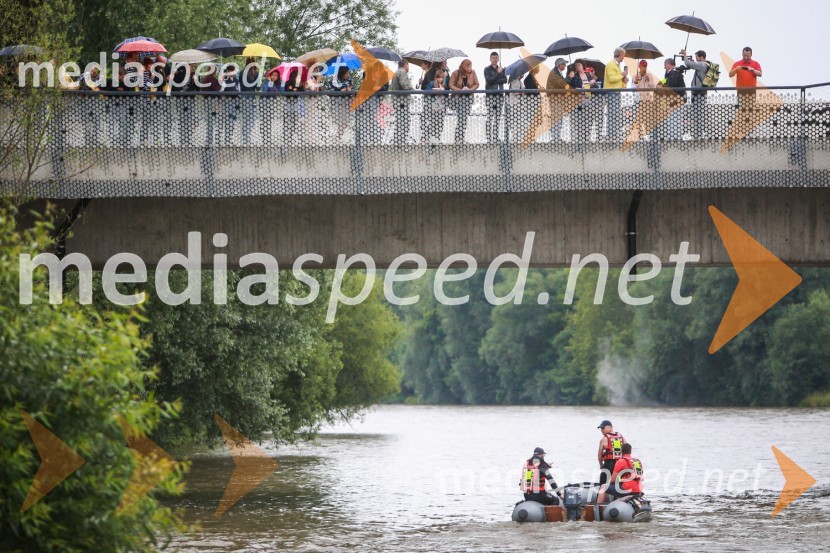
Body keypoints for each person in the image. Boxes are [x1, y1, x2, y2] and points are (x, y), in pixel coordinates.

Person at [680, 49, 709, 138]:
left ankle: (698, 134)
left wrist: (685, 55)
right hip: (700, 93)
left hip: (699, 94)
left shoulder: (702, 64)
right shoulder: (704, 65)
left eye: (697, 58)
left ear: (702, 57)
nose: (696, 59)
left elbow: (689, 64)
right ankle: (698, 133)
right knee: (698, 114)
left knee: (698, 115)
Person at [449, 59, 479, 143]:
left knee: (464, 119)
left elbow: (477, 84)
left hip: (468, 99)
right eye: (468, 66)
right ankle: (457, 139)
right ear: (464, 66)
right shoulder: (456, 73)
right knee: (461, 119)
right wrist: (460, 90)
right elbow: (451, 85)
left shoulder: (473, 72)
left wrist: (469, 90)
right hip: (458, 99)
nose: (470, 68)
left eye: (471, 66)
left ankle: (461, 138)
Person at [657, 58, 687, 140]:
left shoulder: (674, 73)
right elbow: (664, 81)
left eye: (665, 65)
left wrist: (661, 87)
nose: (664, 67)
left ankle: (675, 138)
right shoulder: (670, 73)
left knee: (675, 119)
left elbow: (670, 85)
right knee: (673, 119)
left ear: (668, 65)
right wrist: (660, 84)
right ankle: (673, 137)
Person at [603, 47, 629, 139]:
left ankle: (613, 133)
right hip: (612, 92)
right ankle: (611, 134)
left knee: (615, 114)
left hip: (616, 92)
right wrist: (622, 75)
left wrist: (624, 80)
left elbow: (617, 79)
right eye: (623, 55)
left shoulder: (616, 65)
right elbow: (612, 79)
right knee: (612, 114)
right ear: (621, 55)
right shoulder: (611, 64)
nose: (623, 58)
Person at [569, 61, 597, 143]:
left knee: (588, 121)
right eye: (576, 65)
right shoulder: (575, 76)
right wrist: (579, 90)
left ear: (583, 66)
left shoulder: (588, 74)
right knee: (579, 121)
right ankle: (578, 140)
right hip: (579, 100)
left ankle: (587, 138)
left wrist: (593, 82)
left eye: (579, 65)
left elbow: (592, 86)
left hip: (588, 99)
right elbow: (572, 87)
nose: (577, 67)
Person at [484, 51, 507, 142]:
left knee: (498, 117)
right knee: (490, 117)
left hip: (500, 95)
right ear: (490, 59)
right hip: (490, 95)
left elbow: (505, 80)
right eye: (493, 58)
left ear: (498, 59)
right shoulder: (487, 69)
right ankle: (489, 138)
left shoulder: (501, 69)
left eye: (496, 58)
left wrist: (496, 78)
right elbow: (489, 80)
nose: (495, 59)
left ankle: (496, 137)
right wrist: (498, 74)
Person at [389, 59, 414, 144]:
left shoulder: (397, 72)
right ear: (405, 65)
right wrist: (413, 89)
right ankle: (401, 142)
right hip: (402, 101)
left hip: (397, 101)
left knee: (400, 122)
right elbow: (405, 85)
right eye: (408, 65)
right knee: (404, 122)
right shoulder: (402, 72)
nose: (408, 67)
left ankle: (398, 141)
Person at [597, 420, 626, 485]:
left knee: (603, 483)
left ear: (610, 427)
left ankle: (602, 494)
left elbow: (599, 455)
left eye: (603, 428)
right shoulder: (622, 437)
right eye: (601, 428)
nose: (601, 430)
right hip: (620, 464)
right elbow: (627, 450)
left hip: (609, 464)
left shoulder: (604, 439)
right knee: (618, 483)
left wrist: (601, 464)